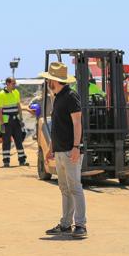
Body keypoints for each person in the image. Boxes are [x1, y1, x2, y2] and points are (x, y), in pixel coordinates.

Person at [40, 62, 87, 239]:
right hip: (60, 150)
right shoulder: (58, 97)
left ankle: (80, 224)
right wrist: (51, 148)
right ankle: (66, 224)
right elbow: (57, 127)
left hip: (70, 150)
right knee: (65, 188)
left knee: (75, 187)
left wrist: (76, 147)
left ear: (55, 80)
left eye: (48, 79)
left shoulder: (70, 96)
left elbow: (77, 123)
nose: (47, 82)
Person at [0, 77, 33, 167]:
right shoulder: (1, 94)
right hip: (6, 122)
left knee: (19, 140)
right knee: (6, 141)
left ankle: (22, 161)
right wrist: (1, 124)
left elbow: (18, 106)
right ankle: (6, 161)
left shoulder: (16, 92)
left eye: (15, 83)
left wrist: (21, 119)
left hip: (16, 121)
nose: (15, 85)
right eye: (13, 83)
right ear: (7, 83)